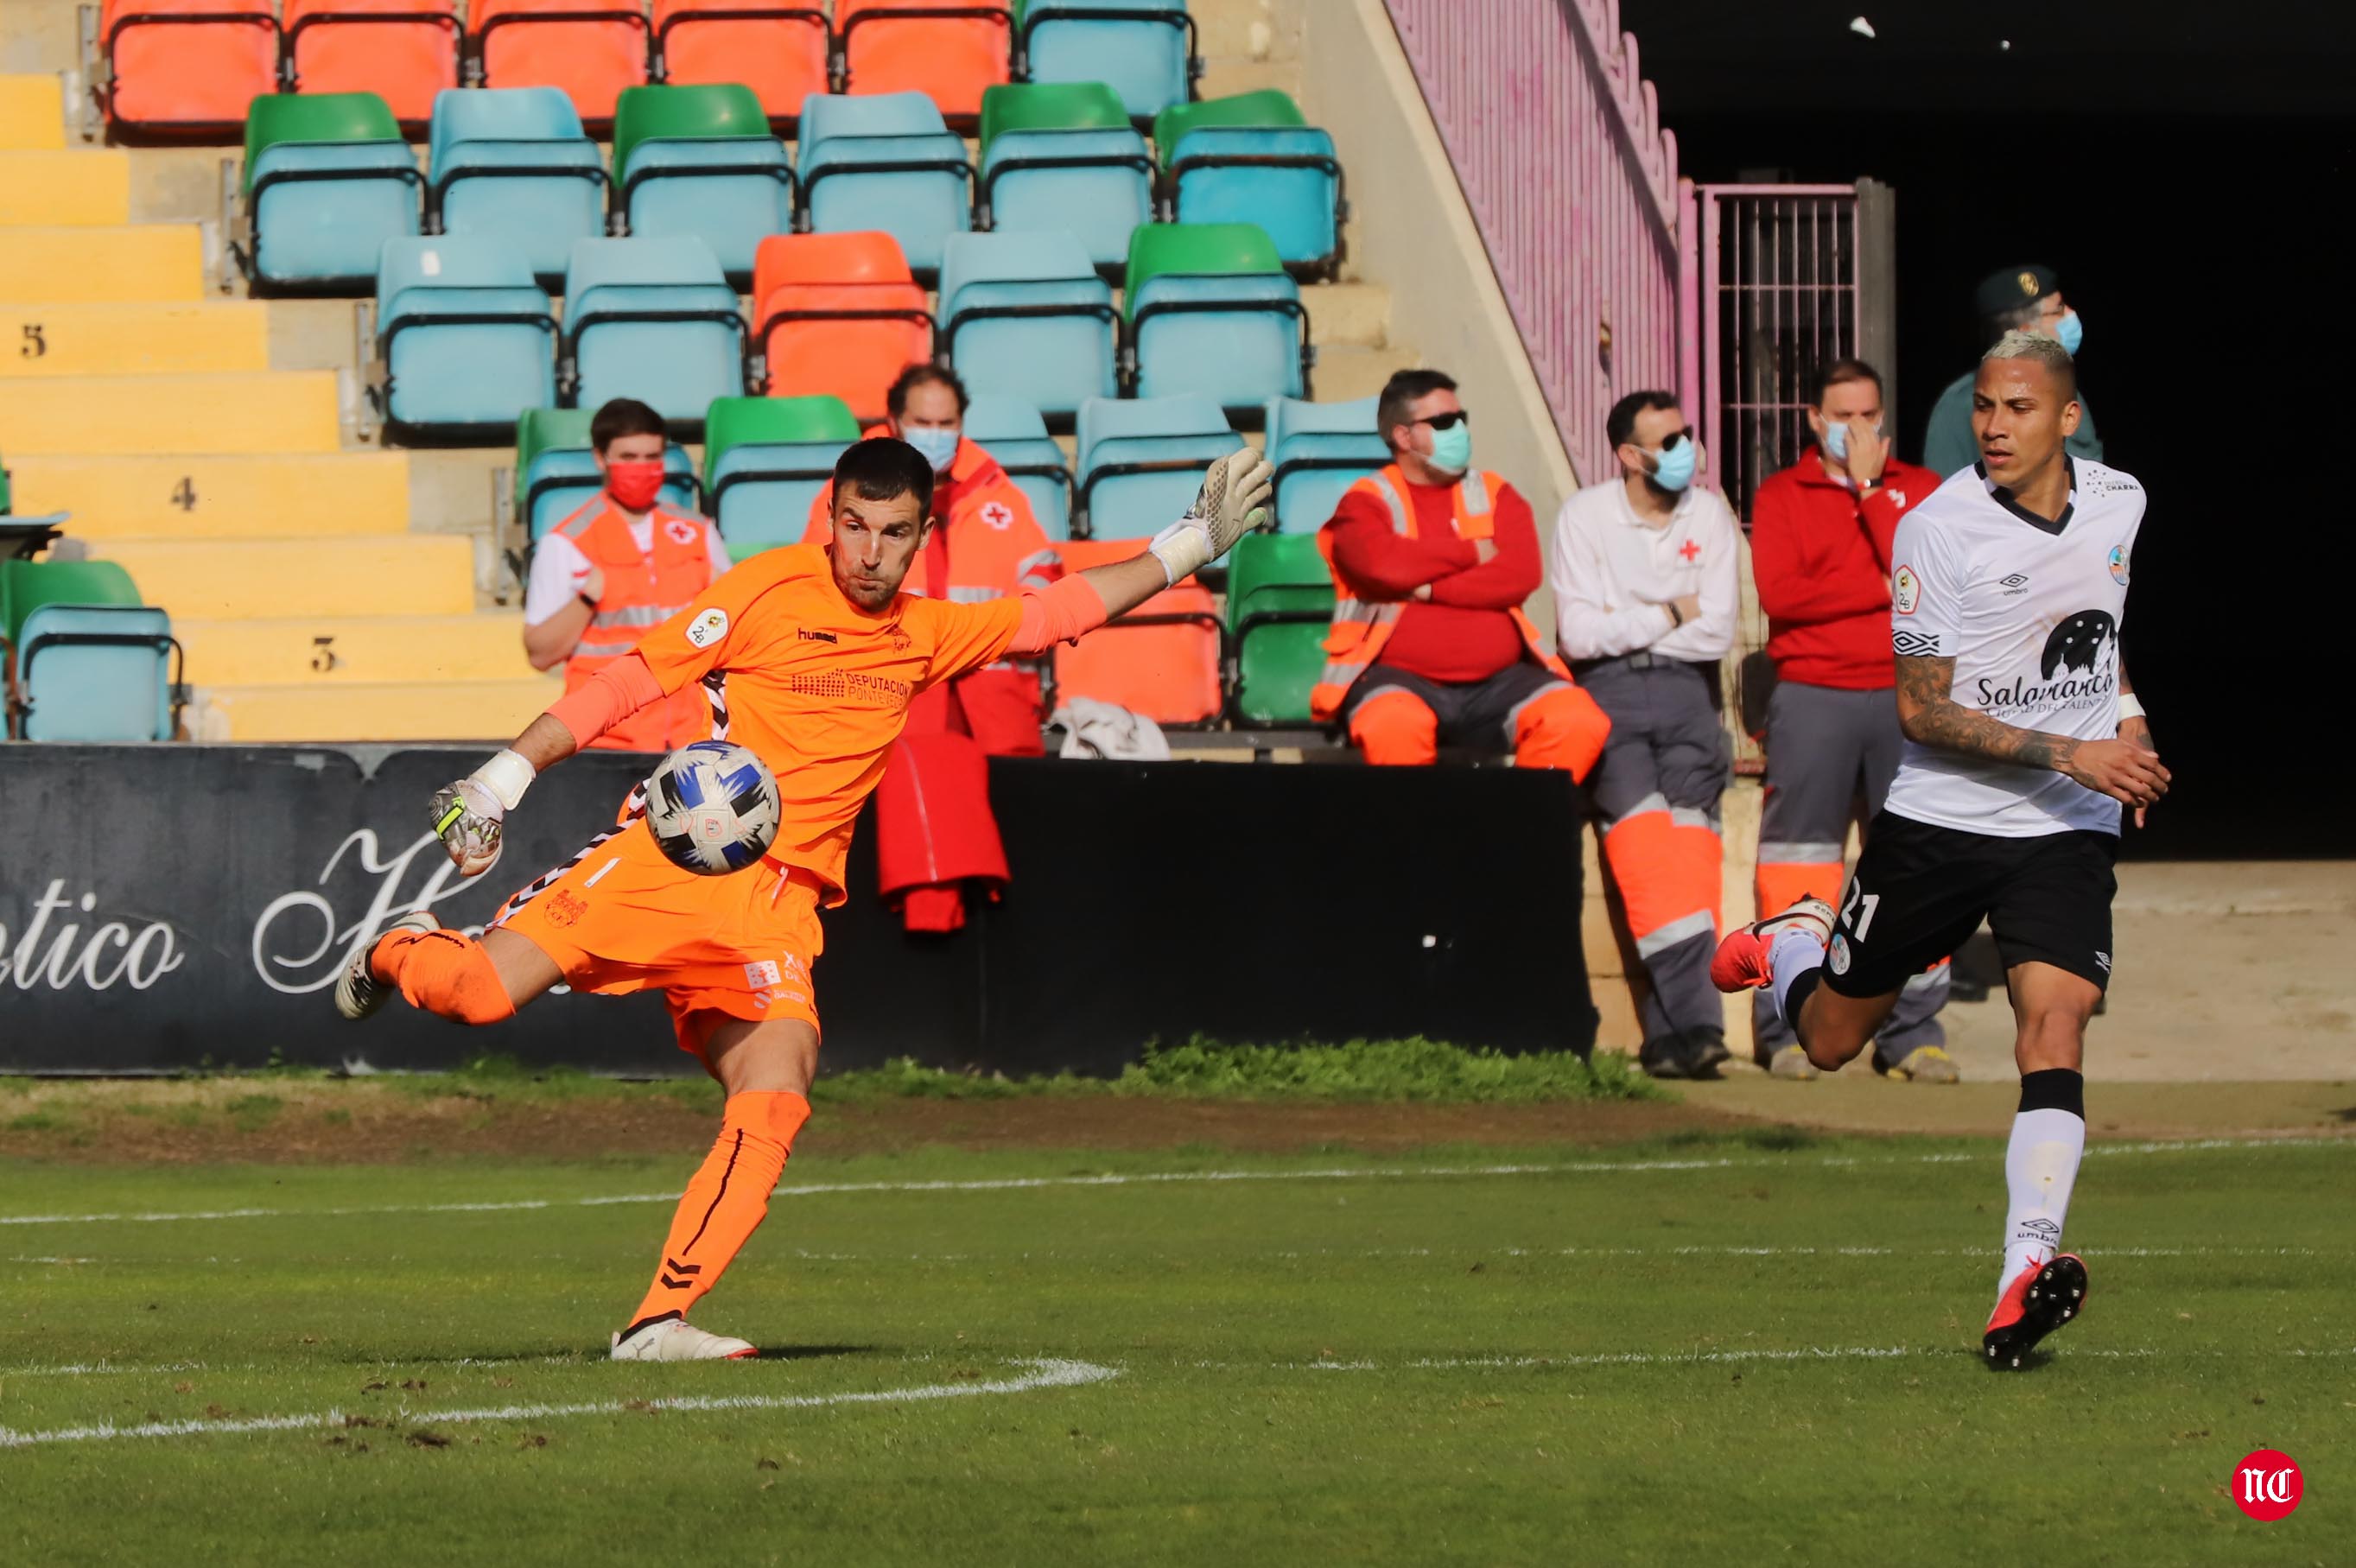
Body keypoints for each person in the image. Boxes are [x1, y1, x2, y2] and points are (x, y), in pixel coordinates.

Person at [333, 438, 1276, 1362]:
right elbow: (629, 679)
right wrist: (500, 781)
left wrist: (1192, 542)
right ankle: (398, 945)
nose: (869, 552)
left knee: (776, 1094)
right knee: (474, 995)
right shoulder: (766, 590)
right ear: (831, 516)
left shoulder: (924, 631)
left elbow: (1055, 612)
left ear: (922, 536)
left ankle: (658, 1320)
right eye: (854, 525)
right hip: (668, 866)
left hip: (776, 909)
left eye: (893, 533)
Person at [1712, 331, 2166, 1370]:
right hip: (1942, 822)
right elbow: (1922, 712)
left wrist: (2126, 717)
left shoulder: (2121, 500)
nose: (1993, 426)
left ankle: (2022, 1272)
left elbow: (2096, 627)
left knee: (2056, 1025)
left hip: (2064, 825)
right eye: (1984, 407)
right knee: (1831, 1041)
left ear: (2067, 418)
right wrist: (2077, 750)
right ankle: (1793, 941)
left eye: (2018, 408)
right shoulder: (1938, 527)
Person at [1746, 358, 1955, 1084]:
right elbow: (1781, 595)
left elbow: (1927, 582)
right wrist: (1881, 587)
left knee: (1916, 864)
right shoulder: (1782, 494)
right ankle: (1784, 1027)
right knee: (1797, 863)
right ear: (1813, 419)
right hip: (1812, 694)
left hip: (1909, 697)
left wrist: (1870, 494)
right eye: (1842, 416)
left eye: (1869, 414)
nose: (1858, 428)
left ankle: (1913, 1034)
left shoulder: (1920, 489)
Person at [1547, 391, 1741, 1080]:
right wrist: (1668, 612)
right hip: (1610, 696)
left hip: (1690, 696)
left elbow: (1716, 630)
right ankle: (1702, 1023)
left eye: (1686, 434)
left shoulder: (1709, 514)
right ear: (1628, 455)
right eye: (1668, 440)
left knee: (1689, 860)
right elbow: (1579, 636)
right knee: (1643, 852)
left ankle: (1668, 1039)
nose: (1687, 449)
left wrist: (1628, 618)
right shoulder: (1584, 516)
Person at [1310, 368, 1610, 778]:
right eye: (1444, 422)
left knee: (1576, 718)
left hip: (1502, 681)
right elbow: (1382, 564)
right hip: (1397, 681)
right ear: (1403, 437)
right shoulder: (1366, 499)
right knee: (1393, 725)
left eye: (1461, 418)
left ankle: (1523, 821)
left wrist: (1428, 589)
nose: (1460, 431)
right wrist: (1472, 551)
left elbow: (1520, 574)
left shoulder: (1495, 492)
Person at [803, 365, 1061, 756]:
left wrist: (1013, 630)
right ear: (894, 421)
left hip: (993, 702)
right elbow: (817, 583)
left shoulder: (994, 488)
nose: (936, 434)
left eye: (947, 423)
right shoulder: (852, 488)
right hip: (892, 693)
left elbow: (1042, 567)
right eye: (923, 423)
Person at [522, 398, 730, 752]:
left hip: (694, 737)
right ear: (600, 458)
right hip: (607, 738)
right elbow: (540, 654)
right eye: (629, 457)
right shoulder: (568, 542)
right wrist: (586, 599)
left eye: (652, 457)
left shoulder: (698, 533)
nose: (642, 468)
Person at [1922, 264, 2103, 478]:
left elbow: (2087, 477)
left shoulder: (2064, 389)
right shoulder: (1959, 403)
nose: (2071, 314)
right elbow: (1946, 489)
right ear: (2026, 333)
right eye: (2059, 310)